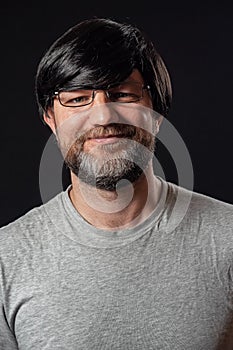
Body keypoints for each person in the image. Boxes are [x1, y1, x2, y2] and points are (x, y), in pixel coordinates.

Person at [0, 17, 233, 350]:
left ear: (157, 110)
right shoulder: (6, 260)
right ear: (50, 119)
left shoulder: (228, 239)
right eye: (78, 98)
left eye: (123, 94)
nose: (103, 116)